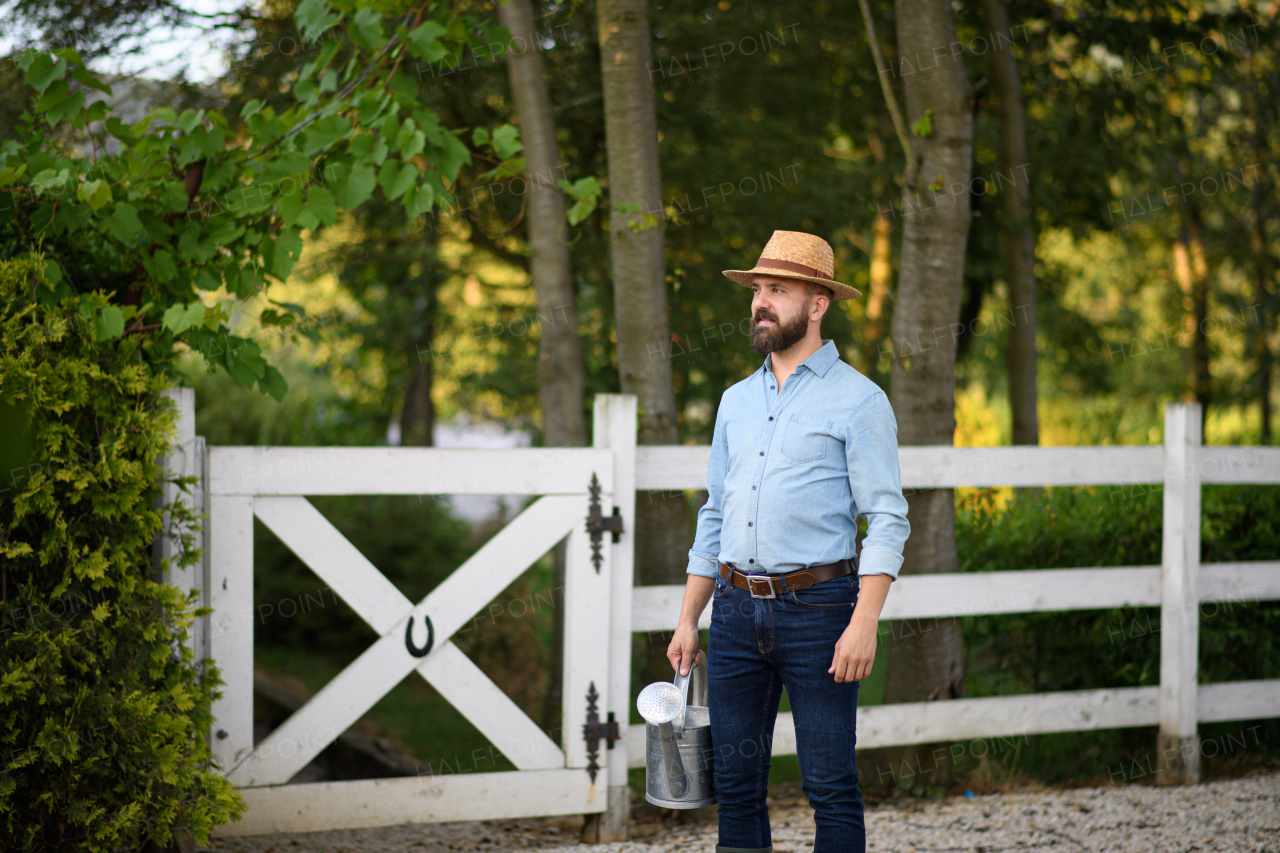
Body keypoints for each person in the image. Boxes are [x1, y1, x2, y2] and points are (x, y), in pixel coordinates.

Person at [666, 230, 910, 853]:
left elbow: (887, 518)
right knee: (737, 786)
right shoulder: (734, 402)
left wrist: (864, 622)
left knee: (829, 784)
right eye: (757, 291)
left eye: (778, 290)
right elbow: (715, 514)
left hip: (821, 615)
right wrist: (689, 618)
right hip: (736, 612)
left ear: (819, 302)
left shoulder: (860, 400)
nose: (760, 303)